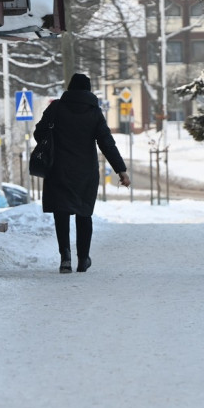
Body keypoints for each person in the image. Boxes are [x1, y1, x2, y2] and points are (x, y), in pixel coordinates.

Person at [34, 73, 130, 274]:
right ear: (88, 90)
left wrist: (53, 140)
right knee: (84, 214)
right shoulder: (94, 112)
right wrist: (121, 170)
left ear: (70, 87)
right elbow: (107, 143)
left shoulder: (56, 108)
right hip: (85, 171)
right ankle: (83, 258)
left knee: (61, 213)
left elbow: (39, 132)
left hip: (58, 169)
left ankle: (65, 257)